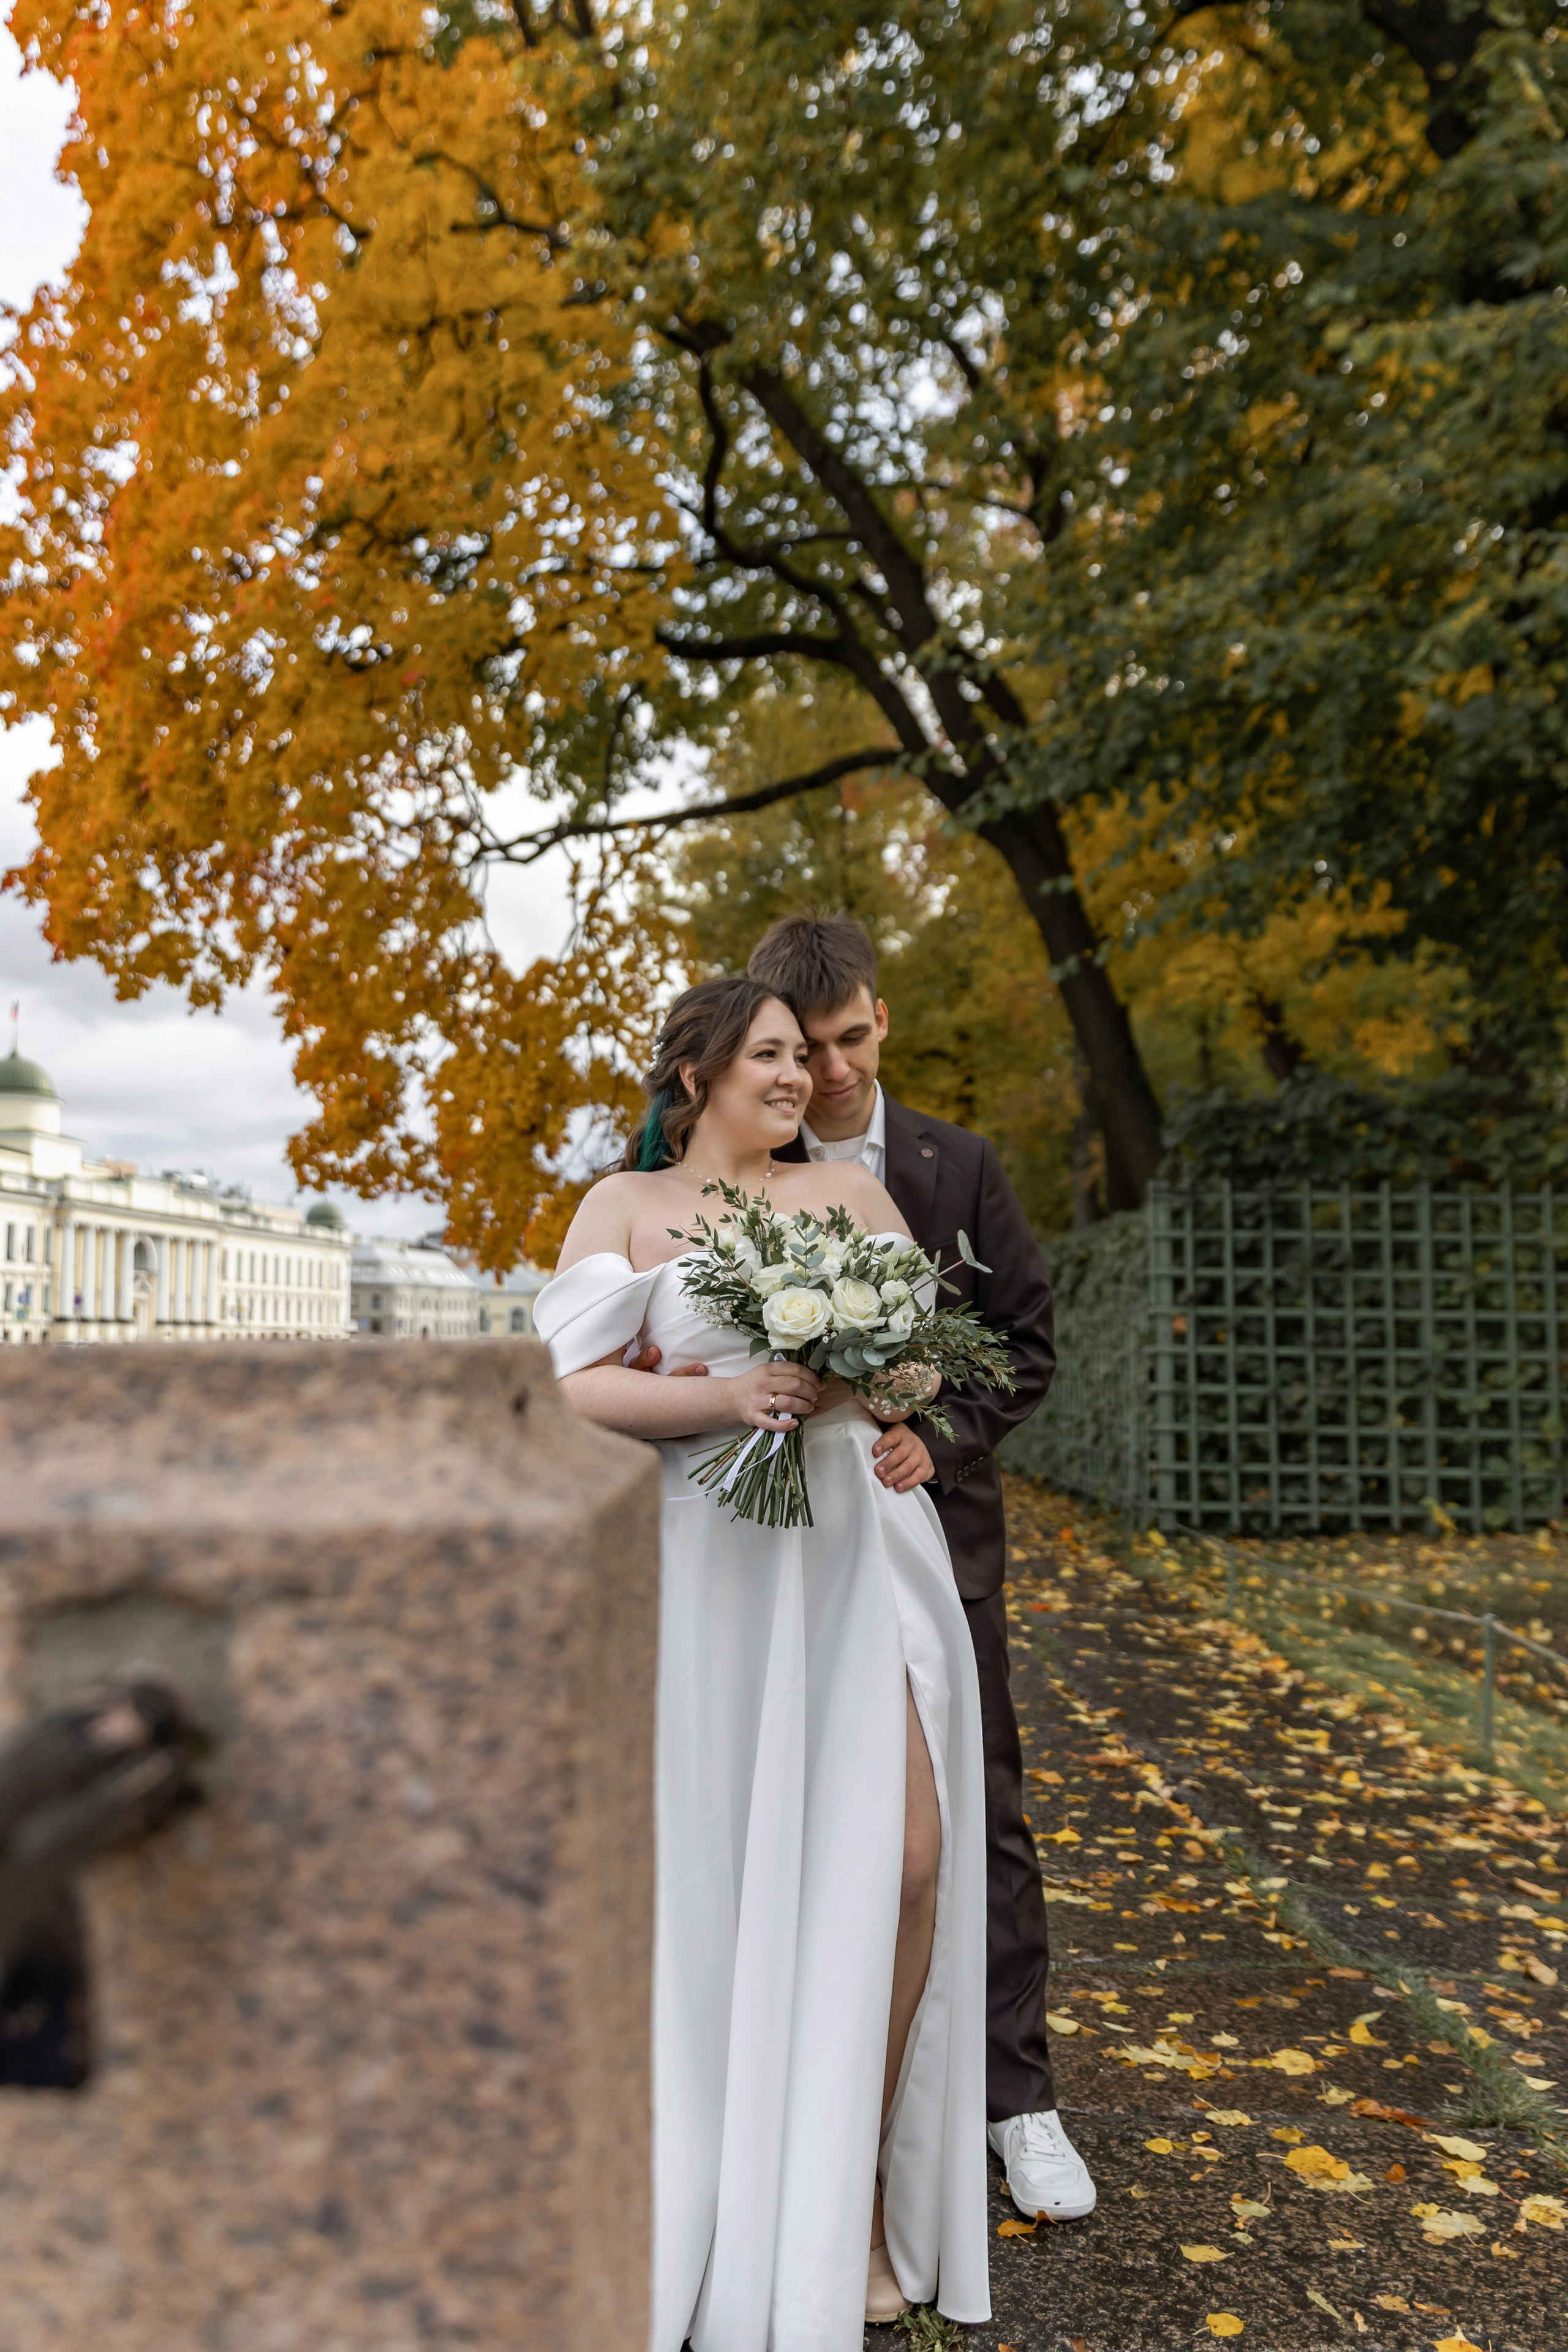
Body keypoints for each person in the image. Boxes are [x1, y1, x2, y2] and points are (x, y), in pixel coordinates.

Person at [532, 975, 991, 2352]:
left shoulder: (849, 1198)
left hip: (855, 1551)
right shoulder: (622, 1207)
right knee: (718, 1882)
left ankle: (857, 2198)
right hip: (707, 1565)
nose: (802, 1078)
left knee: (904, 1860)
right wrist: (729, 1394)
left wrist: (868, 1386)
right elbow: (571, 1385)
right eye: (772, 1057)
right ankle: (719, 2192)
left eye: (805, 1056)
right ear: (698, 1076)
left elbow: (920, 1365)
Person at [747, 913, 1096, 2226]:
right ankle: (817, 2088)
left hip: (939, 1535)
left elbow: (1024, 1340)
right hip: (784, 1548)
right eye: (806, 1048)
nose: (831, 1073)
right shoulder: (741, 1159)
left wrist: (933, 1435)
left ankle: (1017, 2102)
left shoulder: (963, 1163)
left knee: (980, 1815)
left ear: (881, 1019)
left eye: (850, 1040)